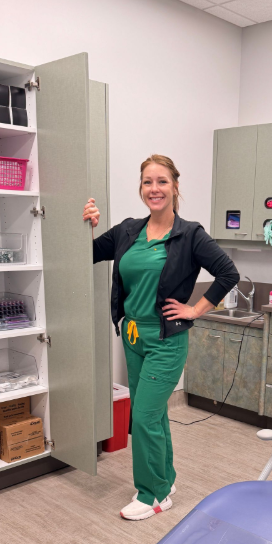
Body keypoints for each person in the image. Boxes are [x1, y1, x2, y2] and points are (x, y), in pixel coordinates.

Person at [85, 154, 239, 521]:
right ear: (141, 189)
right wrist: (87, 226)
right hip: (133, 335)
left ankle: (153, 495)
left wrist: (194, 309)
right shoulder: (127, 231)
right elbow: (88, 253)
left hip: (166, 339)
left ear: (175, 186)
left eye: (161, 181)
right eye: (147, 182)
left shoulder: (189, 235)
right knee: (153, 417)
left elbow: (227, 273)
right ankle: (165, 480)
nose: (154, 189)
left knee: (143, 417)